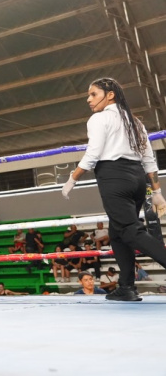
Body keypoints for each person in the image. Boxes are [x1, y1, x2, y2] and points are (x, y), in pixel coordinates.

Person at [62, 77, 166, 301]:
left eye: (93, 94)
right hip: (137, 179)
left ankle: (128, 285)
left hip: (114, 177)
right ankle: (126, 287)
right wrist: (157, 192)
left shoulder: (99, 119)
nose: (88, 99)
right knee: (117, 234)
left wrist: (73, 178)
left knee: (129, 230)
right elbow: (149, 160)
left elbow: (93, 153)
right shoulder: (135, 122)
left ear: (110, 95)